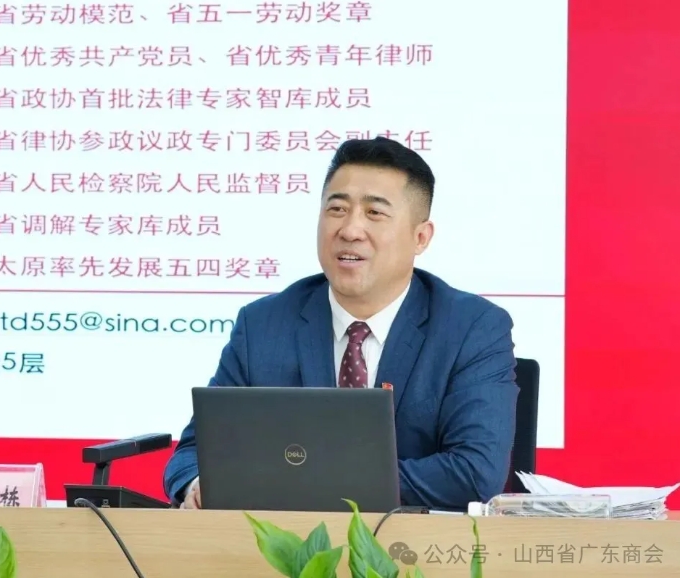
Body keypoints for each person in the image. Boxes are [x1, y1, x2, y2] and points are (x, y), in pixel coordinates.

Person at [165, 136, 519, 511]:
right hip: (283, 542)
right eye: (337, 209)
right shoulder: (263, 325)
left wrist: (313, 482)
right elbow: (193, 454)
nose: (350, 230)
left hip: (412, 543)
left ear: (420, 237)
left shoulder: (472, 328)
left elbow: (474, 472)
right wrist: (200, 485)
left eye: (374, 213)